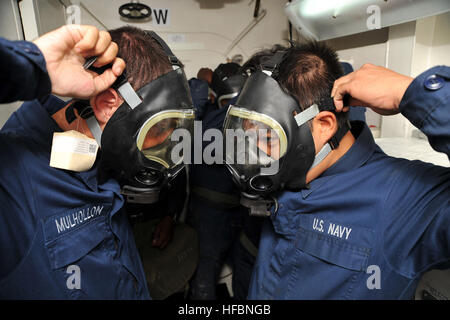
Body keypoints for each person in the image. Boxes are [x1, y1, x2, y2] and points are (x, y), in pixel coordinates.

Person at [223, 41, 449, 299]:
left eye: (267, 137)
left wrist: (414, 93)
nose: (254, 156)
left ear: (324, 125)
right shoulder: (291, 176)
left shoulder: (403, 201)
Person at [0, 25, 194, 299]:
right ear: (107, 105)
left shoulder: (103, 156)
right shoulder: (12, 181)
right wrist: (30, 65)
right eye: (160, 129)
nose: (165, 149)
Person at [187, 62, 248, 300]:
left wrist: (203, 81)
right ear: (213, 99)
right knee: (205, 280)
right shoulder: (203, 124)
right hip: (212, 216)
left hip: (236, 213)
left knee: (237, 274)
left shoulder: (209, 122)